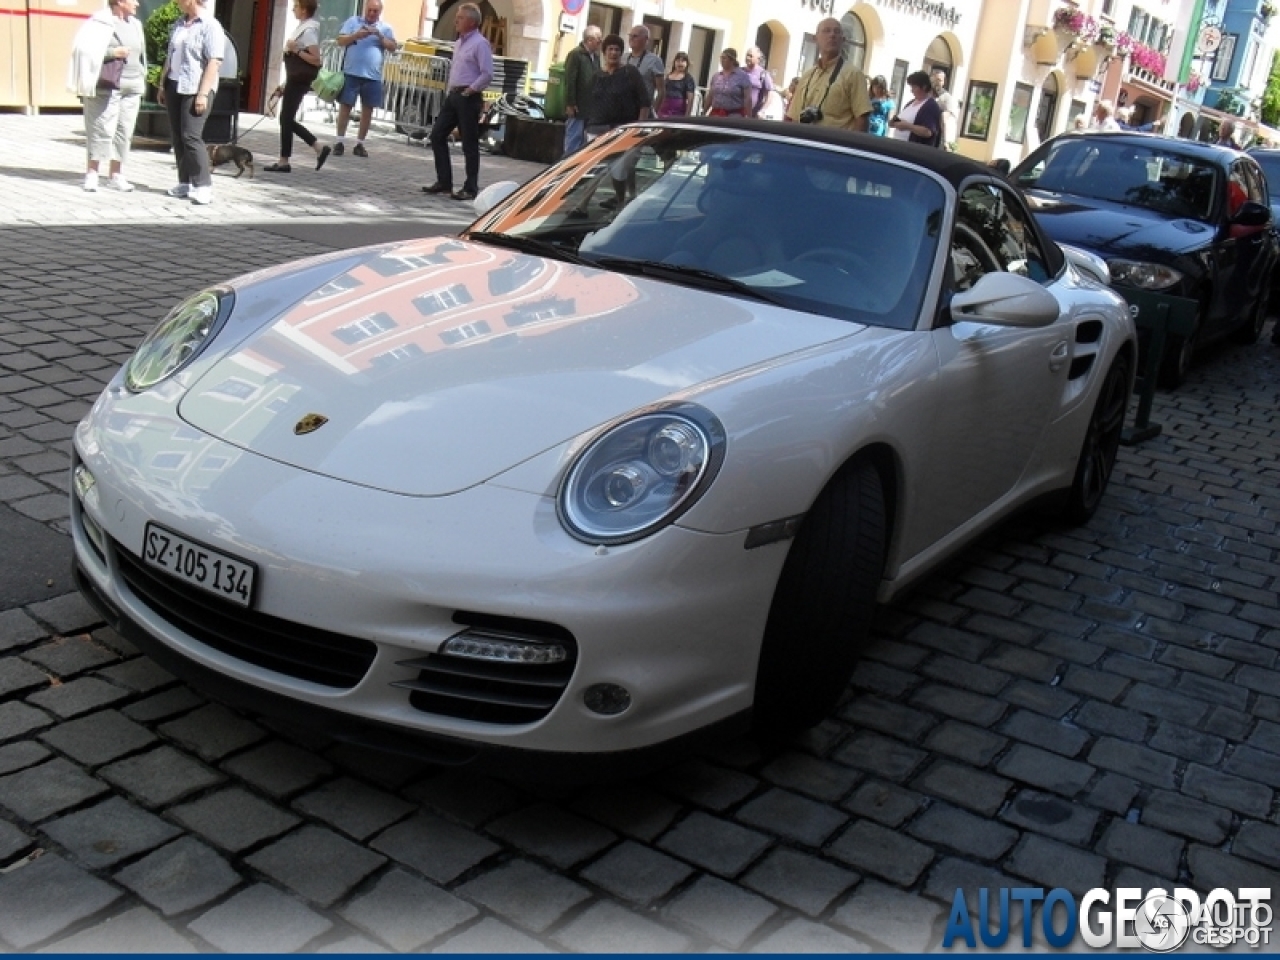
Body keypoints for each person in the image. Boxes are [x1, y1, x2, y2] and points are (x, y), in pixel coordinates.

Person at [67, 0, 146, 192]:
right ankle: (92, 173)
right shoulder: (99, 22)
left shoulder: (135, 24)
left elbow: (142, 53)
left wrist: (142, 76)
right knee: (100, 127)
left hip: (132, 85)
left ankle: (116, 174)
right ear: (119, 2)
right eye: (132, 0)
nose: (137, 3)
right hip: (107, 85)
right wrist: (112, 52)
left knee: (124, 131)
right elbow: (82, 50)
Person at [423, 3, 493, 200]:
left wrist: (471, 89)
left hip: (468, 96)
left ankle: (470, 188)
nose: (456, 21)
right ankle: (444, 182)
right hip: (454, 95)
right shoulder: (460, 42)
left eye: (460, 17)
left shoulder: (480, 43)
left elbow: (487, 73)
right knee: (437, 135)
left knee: (469, 143)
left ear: (471, 22)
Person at [158, 0, 224, 205]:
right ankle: (184, 182)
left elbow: (215, 61)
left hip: (195, 87)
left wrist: (203, 93)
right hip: (174, 84)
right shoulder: (180, 23)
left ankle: (203, 186)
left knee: (191, 136)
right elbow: (171, 56)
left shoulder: (210, 25)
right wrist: (162, 84)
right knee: (177, 136)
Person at [265, 0, 330, 173]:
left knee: (285, 119)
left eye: (295, 6)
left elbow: (316, 59)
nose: (293, 9)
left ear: (303, 10)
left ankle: (287, 160)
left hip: (299, 81)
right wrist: (285, 84)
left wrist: (297, 51)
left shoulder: (308, 31)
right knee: (286, 119)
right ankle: (313, 149)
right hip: (295, 80)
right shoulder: (303, 28)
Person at [585, 33, 649, 208]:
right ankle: (582, 205)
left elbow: (644, 101)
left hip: (622, 128)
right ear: (604, 52)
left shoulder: (630, 72)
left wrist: (639, 128)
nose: (613, 52)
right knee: (593, 169)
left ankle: (622, 203)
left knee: (619, 170)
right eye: (610, 49)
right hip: (596, 128)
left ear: (621, 52)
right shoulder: (597, 76)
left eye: (617, 49)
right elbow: (590, 100)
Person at [332, 0, 396, 158]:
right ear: (365, 9)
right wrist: (356, 35)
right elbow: (340, 41)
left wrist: (380, 36)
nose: (372, 13)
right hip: (351, 73)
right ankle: (339, 142)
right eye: (370, 10)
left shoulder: (385, 28)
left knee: (368, 110)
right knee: (345, 107)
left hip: (372, 76)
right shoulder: (353, 22)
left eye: (375, 11)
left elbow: (393, 47)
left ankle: (360, 144)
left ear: (380, 12)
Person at [785, 18, 871, 131]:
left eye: (837, 31)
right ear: (815, 38)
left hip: (833, 146)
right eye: (826, 31)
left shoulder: (853, 75)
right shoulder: (807, 76)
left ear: (843, 40)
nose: (832, 35)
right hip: (805, 143)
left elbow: (862, 119)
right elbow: (794, 117)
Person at [563, 25, 602, 154]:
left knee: (585, 141)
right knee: (574, 138)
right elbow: (570, 80)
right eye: (599, 39)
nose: (600, 43)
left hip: (590, 107)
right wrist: (570, 103)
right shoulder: (576, 54)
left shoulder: (595, 57)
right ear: (590, 40)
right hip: (578, 105)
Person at [889, 70, 941, 146]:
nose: (911, 90)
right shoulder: (911, 103)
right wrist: (894, 122)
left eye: (914, 87)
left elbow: (928, 132)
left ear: (924, 87)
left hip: (912, 149)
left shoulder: (931, 106)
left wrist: (907, 126)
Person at [624, 23, 663, 116]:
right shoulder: (623, 57)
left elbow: (661, 90)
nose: (631, 38)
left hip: (642, 111)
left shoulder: (654, 60)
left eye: (635, 36)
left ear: (646, 39)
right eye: (630, 35)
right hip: (623, 109)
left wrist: (653, 110)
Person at [704, 48, 752, 117]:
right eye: (721, 58)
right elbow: (710, 96)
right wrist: (704, 112)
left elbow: (748, 98)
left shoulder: (742, 76)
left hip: (733, 115)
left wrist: (749, 117)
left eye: (724, 58)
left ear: (731, 60)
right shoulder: (716, 76)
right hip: (716, 114)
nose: (721, 61)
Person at [658, 51, 696, 117]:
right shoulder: (668, 76)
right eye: (678, 60)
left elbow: (690, 100)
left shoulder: (688, 78)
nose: (680, 63)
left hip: (678, 111)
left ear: (687, 63)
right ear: (674, 62)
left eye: (683, 61)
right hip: (664, 108)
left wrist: (687, 116)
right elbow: (662, 93)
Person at [930, 67, 958, 149]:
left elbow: (945, 119)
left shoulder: (947, 98)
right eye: (934, 80)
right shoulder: (925, 95)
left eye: (939, 80)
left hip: (936, 136)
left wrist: (945, 141)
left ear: (943, 82)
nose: (936, 83)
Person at [743, 46, 774, 118]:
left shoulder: (763, 74)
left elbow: (770, 94)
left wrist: (763, 110)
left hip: (753, 114)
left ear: (758, 59)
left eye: (750, 56)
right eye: (747, 55)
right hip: (737, 113)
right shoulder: (739, 71)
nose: (748, 58)